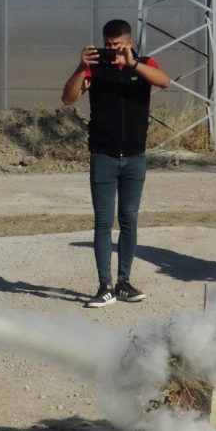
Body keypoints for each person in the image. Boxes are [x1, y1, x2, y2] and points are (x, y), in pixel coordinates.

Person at [61, 19, 170, 308]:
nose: (112, 51)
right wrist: (79, 66)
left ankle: (124, 282)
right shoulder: (95, 68)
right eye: (108, 46)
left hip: (135, 157)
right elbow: (69, 99)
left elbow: (164, 82)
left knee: (129, 220)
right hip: (104, 156)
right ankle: (104, 285)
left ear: (129, 43)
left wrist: (133, 64)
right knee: (102, 222)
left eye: (117, 46)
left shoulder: (144, 64)